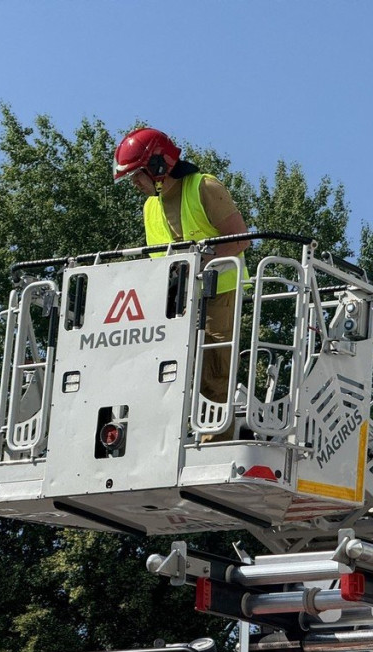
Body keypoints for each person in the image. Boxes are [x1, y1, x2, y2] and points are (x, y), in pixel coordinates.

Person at [113, 128, 250, 442]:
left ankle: (216, 441)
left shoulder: (205, 187)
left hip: (219, 292)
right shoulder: (151, 206)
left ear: (159, 167)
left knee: (214, 368)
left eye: (137, 175)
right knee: (165, 370)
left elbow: (241, 238)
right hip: (176, 300)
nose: (134, 184)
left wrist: (200, 261)